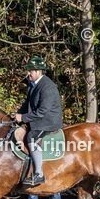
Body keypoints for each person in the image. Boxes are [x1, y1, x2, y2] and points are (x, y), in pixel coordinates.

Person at [13, 56, 63, 187]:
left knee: (31, 137)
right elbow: (27, 104)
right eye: (28, 70)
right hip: (38, 119)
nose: (28, 73)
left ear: (39, 71)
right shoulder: (33, 85)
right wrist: (17, 115)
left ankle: (39, 174)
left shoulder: (47, 86)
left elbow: (43, 111)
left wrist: (23, 118)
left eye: (30, 70)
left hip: (48, 121)